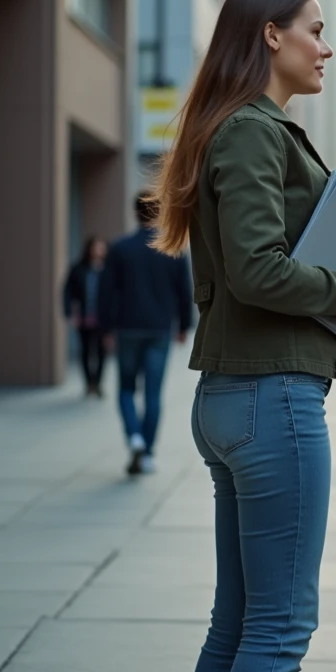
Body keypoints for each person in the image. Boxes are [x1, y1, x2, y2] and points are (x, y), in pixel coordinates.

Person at [145, 0, 336, 672]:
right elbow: (257, 271)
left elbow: (263, 266)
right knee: (279, 627)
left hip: (242, 397)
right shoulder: (252, 131)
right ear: (272, 34)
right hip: (273, 403)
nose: (326, 48)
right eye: (315, 30)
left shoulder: (236, 128)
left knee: (237, 624)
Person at [101, 191, 193, 476]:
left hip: (127, 327)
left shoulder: (119, 248)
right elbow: (184, 291)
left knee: (126, 389)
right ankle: (149, 451)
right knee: (153, 393)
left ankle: (134, 438)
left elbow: (106, 293)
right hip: (159, 329)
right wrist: (183, 326)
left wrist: (106, 328)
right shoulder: (173, 249)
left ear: (134, 213)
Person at [62, 236, 108, 397]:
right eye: (96, 247)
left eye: (101, 247)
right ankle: (89, 383)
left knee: (102, 352)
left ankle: (98, 383)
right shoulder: (79, 268)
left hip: (103, 319)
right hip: (84, 317)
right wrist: (69, 313)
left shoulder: (108, 269)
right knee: (86, 351)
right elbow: (67, 291)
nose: (99, 250)